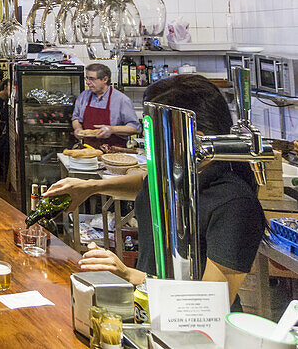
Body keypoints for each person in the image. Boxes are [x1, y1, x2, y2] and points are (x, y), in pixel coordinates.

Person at [48, 74, 265, 308]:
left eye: (154, 134)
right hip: (148, 308)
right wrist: (91, 187)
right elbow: (147, 182)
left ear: (195, 139)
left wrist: (128, 275)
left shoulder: (233, 204)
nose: (147, 142)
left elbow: (213, 303)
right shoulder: (178, 175)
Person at [71, 63, 139, 148]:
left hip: (114, 153)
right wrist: (78, 129)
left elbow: (135, 128)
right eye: (87, 78)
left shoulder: (121, 100)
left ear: (105, 79)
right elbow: (76, 118)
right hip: (89, 151)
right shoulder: (83, 96)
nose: (87, 82)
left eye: (92, 79)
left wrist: (111, 130)